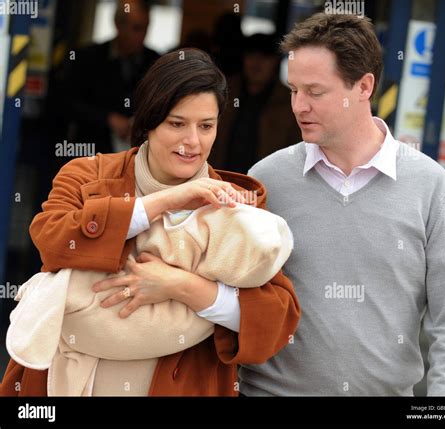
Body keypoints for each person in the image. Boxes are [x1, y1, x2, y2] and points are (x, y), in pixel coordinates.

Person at [0, 48, 300, 396]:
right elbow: (52, 241)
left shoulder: (235, 203)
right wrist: (163, 202)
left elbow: (275, 324)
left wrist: (181, 287)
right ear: (148, 120)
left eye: (206, 126)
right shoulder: (85, 174)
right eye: (177, 123)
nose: (193, 142)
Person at [240, 13, 445, 396]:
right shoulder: (267, 179)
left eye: (315, 92)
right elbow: (236, 297)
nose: (298, 106)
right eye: (293, 90)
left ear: (364, 86)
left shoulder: (430, 187)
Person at [63, 0, 159, 154]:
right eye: (136, 28)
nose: (141, 36)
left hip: (138, 156)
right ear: (118, 25)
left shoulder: (156, 62)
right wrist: (107, 118)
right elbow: (68, 102)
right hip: (91, 153)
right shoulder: (88, 58)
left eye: (145, 28)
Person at [210, 33, 300, 173]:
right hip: (218, 179)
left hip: (265, 186)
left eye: (265, 56)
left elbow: (296, 153)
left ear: (275, 61)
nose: (257, 62)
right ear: (243, 58)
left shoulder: (290, 102)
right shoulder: (223, 91)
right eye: (251, 55)